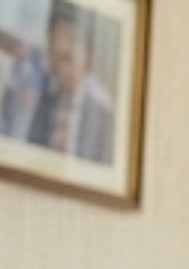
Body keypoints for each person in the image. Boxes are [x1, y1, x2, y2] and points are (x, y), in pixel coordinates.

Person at [0, 4, 112, 163]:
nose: (59, 70)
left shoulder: (101, 109)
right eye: (53, 58)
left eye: (67, 58)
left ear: (88, 60)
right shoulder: (45, 97)